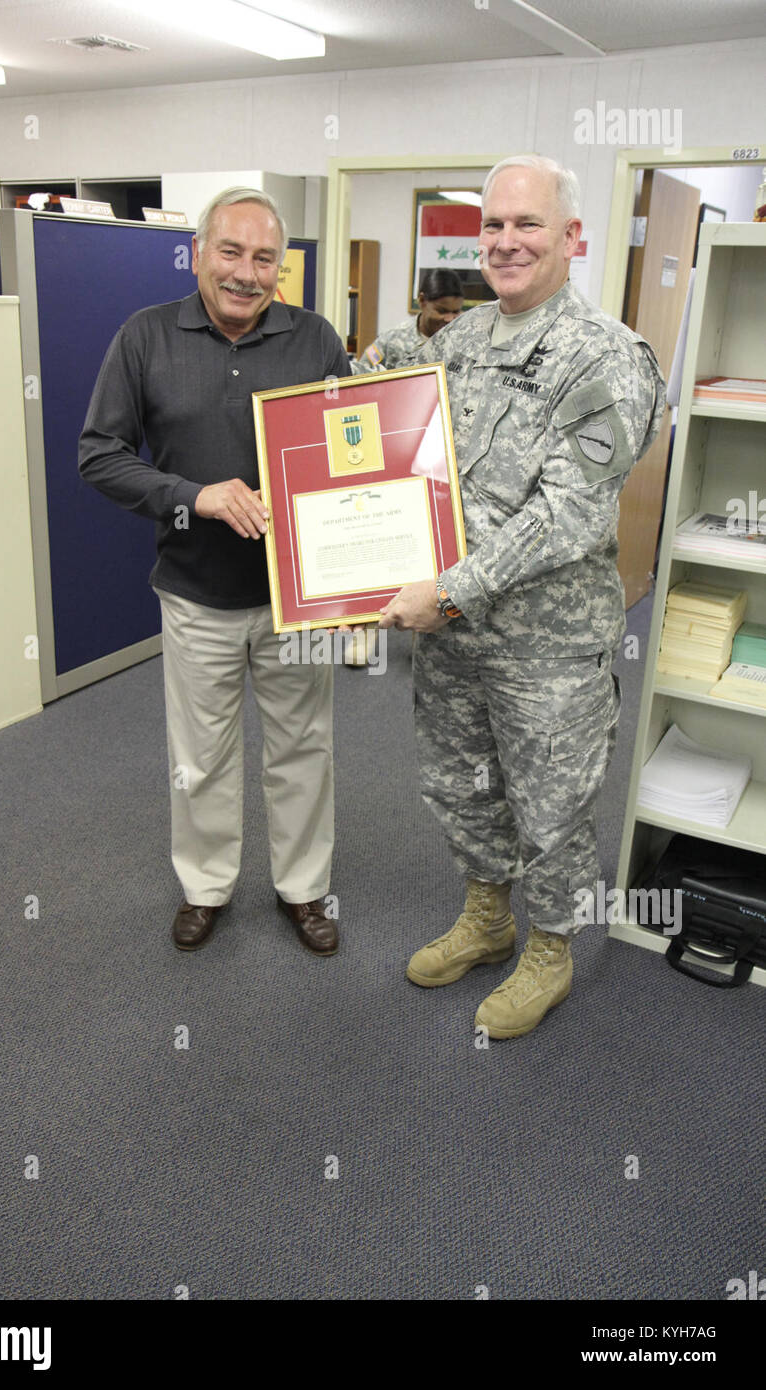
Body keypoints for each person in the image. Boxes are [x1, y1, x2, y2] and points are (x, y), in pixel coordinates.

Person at [379, 155, 666, 1039]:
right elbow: (383, 391)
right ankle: (486, 914)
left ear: (571, 237)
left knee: (551, 805)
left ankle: (549, 951)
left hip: (545, 645)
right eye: (494, 226)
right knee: (464, 786)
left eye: (527, 225)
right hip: (454, 636)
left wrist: (451, 591)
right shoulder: (461, 338)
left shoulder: (606, 356)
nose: (506, 242)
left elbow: (570, 514)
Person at [78, 187, 351, 957]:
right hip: (195, 593)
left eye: (264, 257)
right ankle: (206, 886)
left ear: (281, 269)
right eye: (229, 252)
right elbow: (98, 456)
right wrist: (194, 497)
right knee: (201, 759)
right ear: (198, 254)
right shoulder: (145, 338)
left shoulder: (317, 340)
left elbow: (353, 461)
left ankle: (303, 889)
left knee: (304, 748)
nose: (245, 272)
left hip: (293, 599)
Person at [352, 268, 464, 374]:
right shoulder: (392, 341)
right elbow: (362, 376)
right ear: (422, 300)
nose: (449, 319)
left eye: (455, 312)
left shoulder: (465, 342)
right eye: (442, 311)